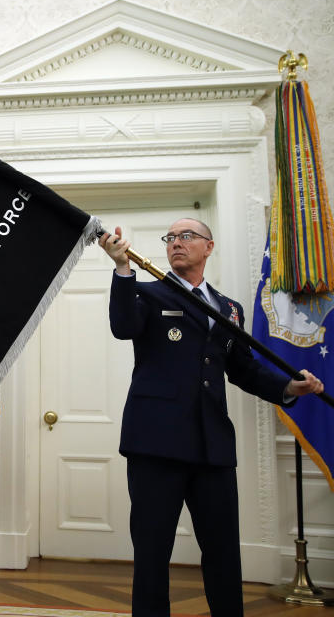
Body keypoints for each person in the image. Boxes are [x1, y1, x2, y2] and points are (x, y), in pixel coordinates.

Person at [99, 218, 323, 616]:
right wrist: (122, 269)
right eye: (171, 238)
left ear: (209, 246)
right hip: (156, 444)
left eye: (187, 236)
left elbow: (244, 370)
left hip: (212, 446)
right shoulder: (148, 293)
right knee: (152, 553)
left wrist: (290, 388)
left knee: (222, 552)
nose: (176, 243)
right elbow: (123, 326)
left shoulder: (229, 309)